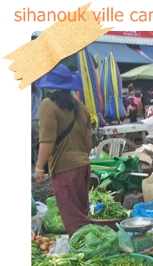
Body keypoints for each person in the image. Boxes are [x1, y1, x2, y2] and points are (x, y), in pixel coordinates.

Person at [34, 64, 92, 238]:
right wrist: (80, 158)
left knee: (73, 219)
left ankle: (86, 253)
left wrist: (38, 168)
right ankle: (90, 246)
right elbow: (88, 142)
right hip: (83, 166)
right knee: (81, 214)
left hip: (64, 169)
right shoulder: (81, 108)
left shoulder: (47, 105)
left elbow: (47, 141)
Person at [31, 81, 42, 165]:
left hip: (33, 121)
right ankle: (36, 162)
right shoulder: (36, 95)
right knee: (38, 142)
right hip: (34, 121)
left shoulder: (36, 94)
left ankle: (34, 162)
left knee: (35, 143)